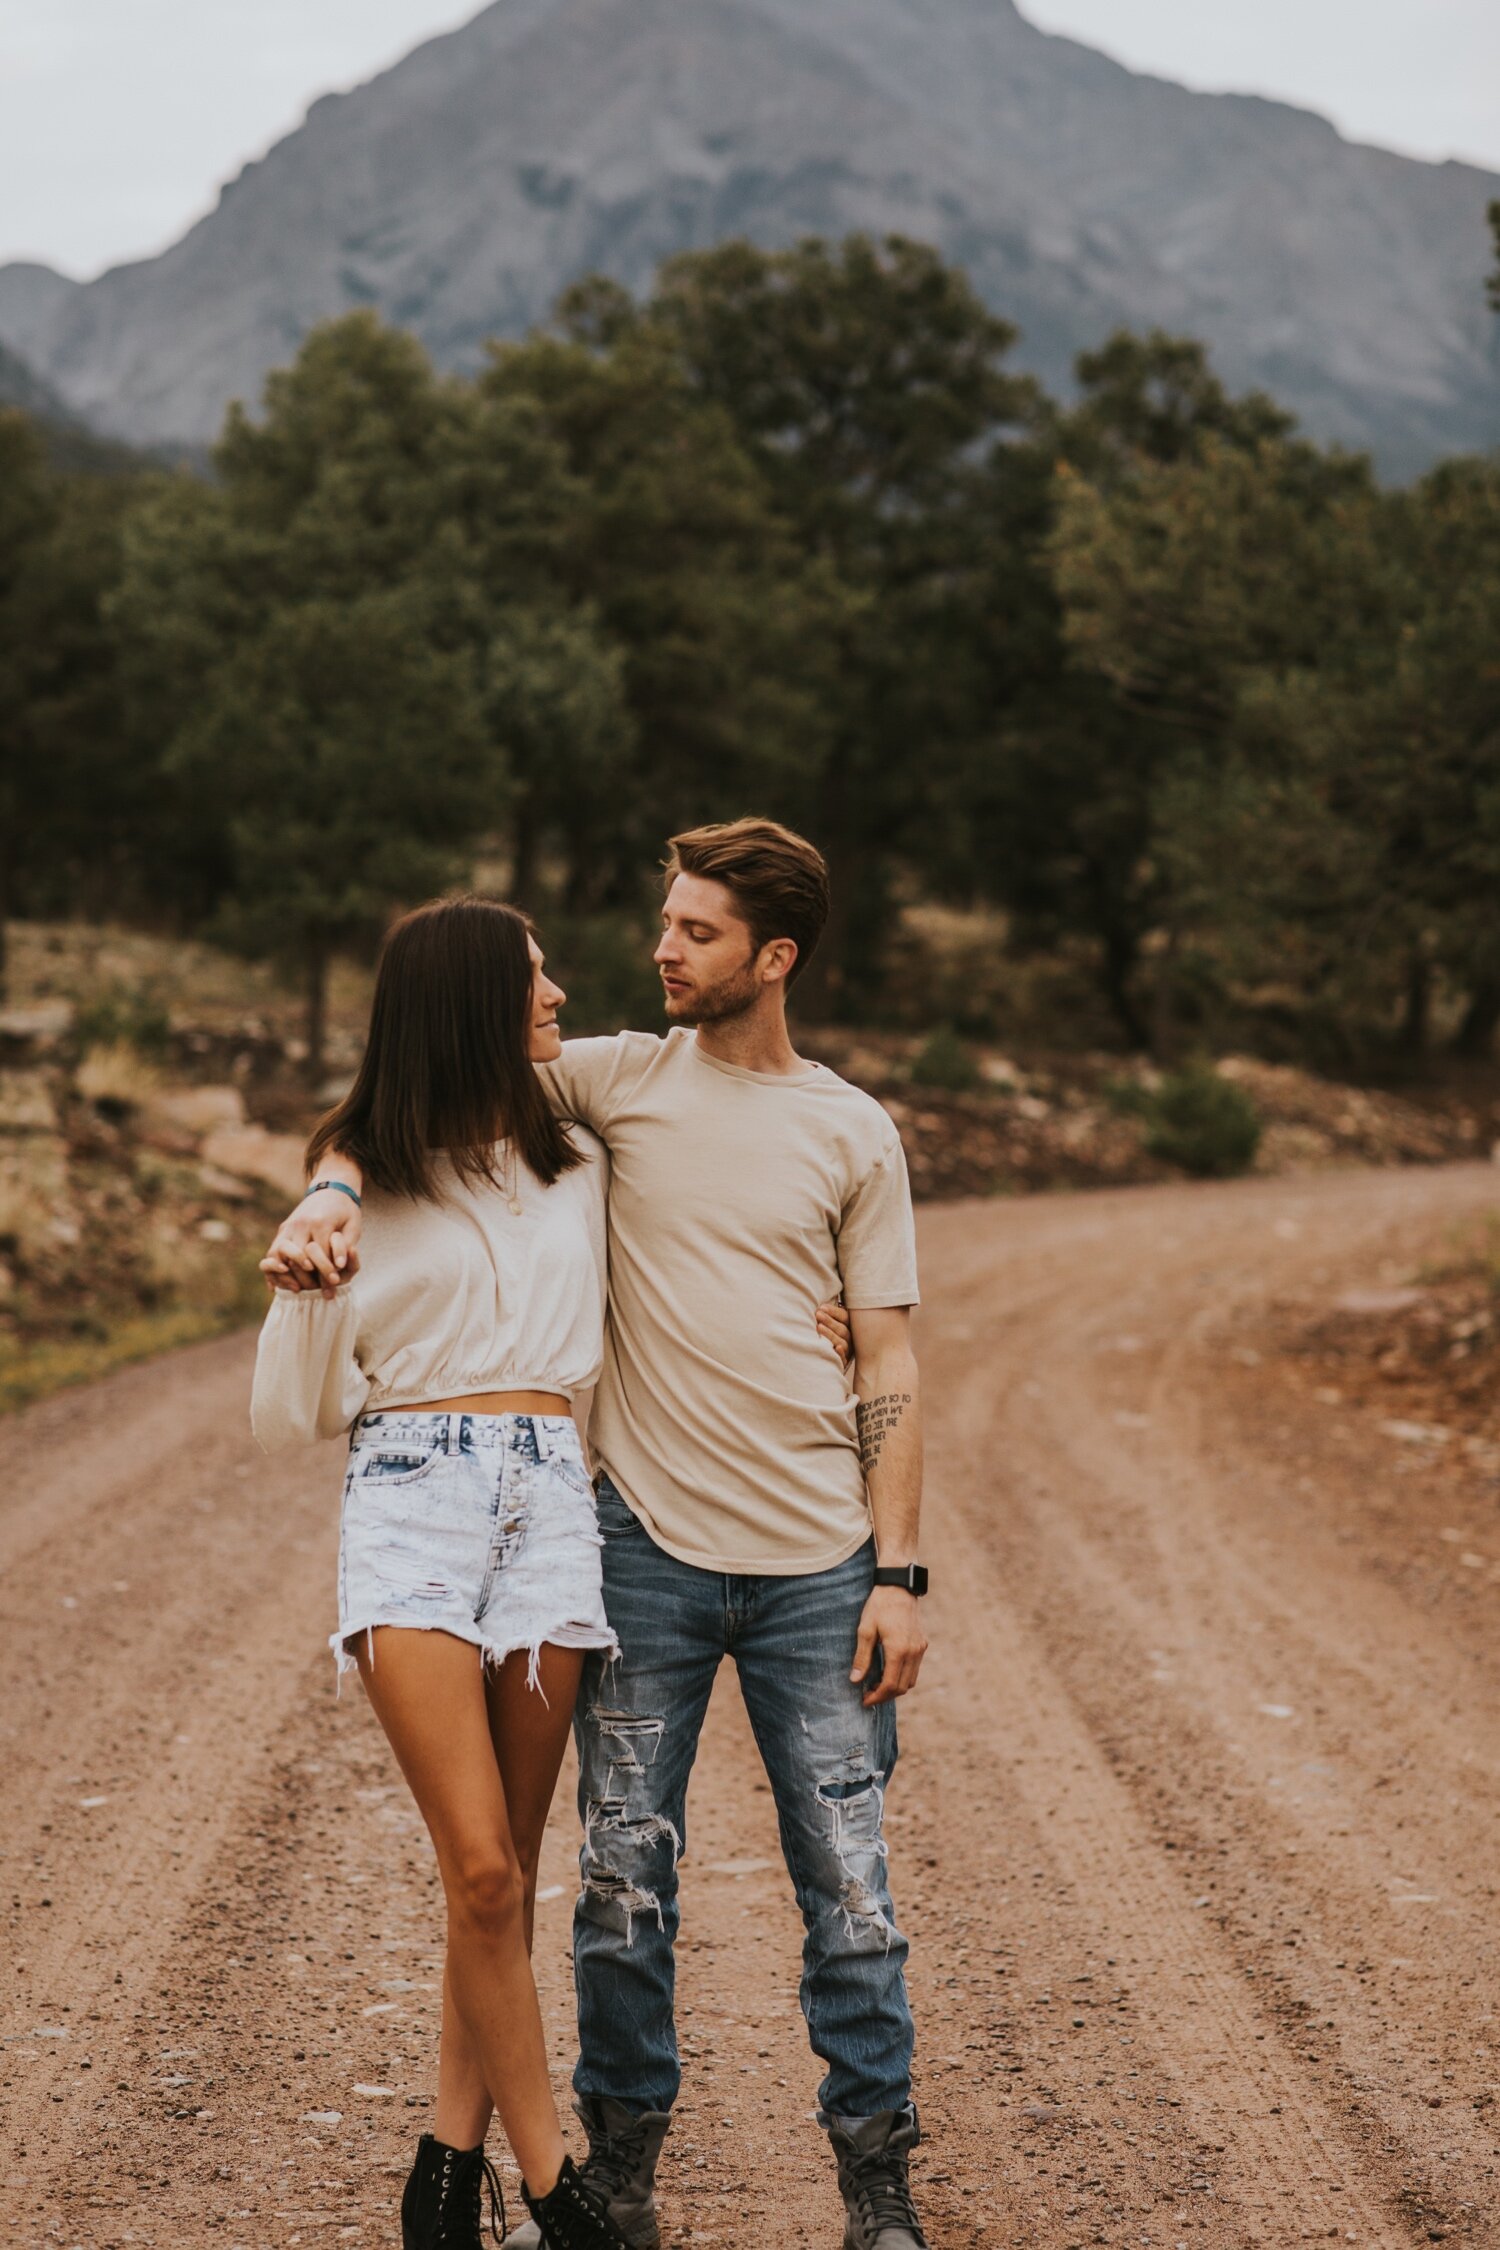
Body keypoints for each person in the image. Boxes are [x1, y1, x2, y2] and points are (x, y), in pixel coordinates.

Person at [265, 820, 933, 2250]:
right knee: (603, 1879)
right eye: (663, 923)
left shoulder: (838, 1127)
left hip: (780, 1553)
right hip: (616, 1537)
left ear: (775, 957)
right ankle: (599, 2180)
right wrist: (325, 1188)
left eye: (694, 932)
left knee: (847, 1886)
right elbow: (388, 1097)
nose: (656, 952)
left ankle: (871, 2182)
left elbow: (890, 1358)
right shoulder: (613, 1084)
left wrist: (900, 1569)